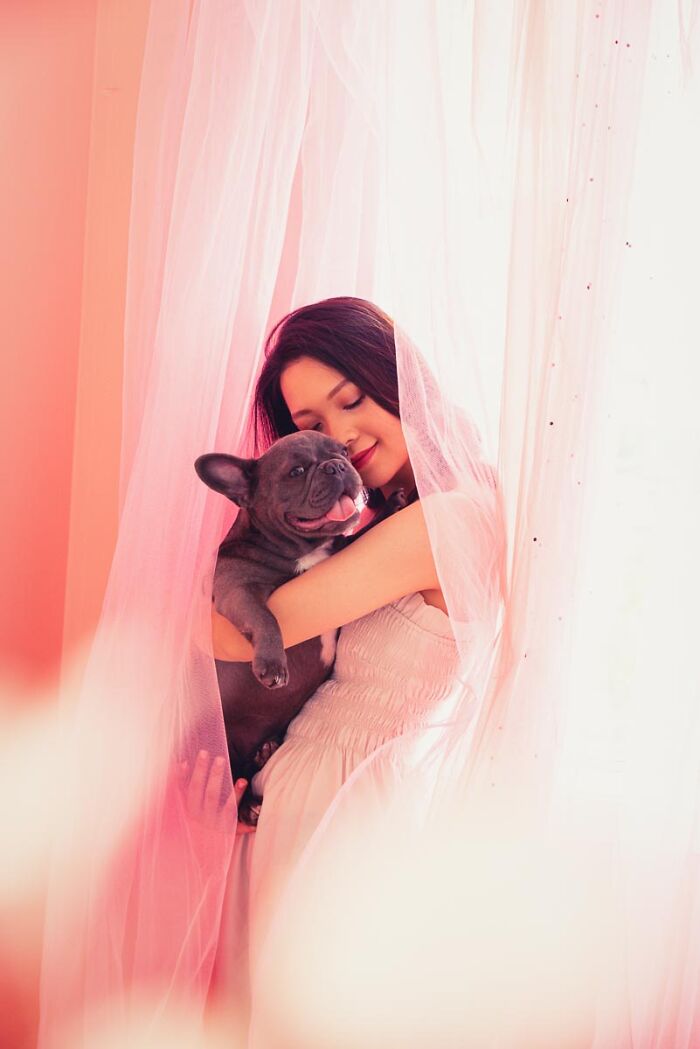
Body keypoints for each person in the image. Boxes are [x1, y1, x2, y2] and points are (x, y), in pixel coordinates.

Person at [189, 296, 483, 1029]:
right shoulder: (400, 515)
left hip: (343, 808)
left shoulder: (441, 522)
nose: (341, 436)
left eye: (351, 400)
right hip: (311, 792)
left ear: (401, 381)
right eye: (313, 425)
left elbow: (232, 637)